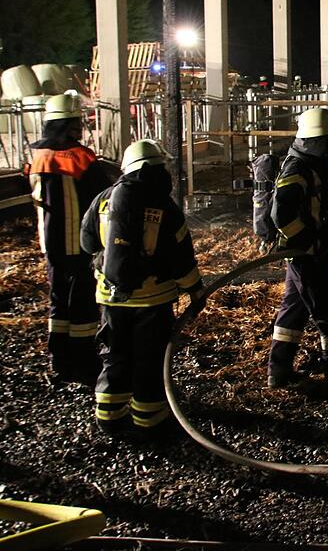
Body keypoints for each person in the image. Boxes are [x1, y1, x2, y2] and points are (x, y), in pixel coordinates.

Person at [80, 140, 203, 437]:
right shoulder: (164, 206)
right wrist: (195, 290)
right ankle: (150, 420)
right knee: (149, 359)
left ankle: (108, 416)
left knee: (115, 355)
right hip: (153, 300)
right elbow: (180, 258)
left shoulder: (104, 200)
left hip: (111, 298)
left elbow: (87, 242)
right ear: (154, 169)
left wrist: (104, 262)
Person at [268, 108, 328, 394]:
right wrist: (310, 242)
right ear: (320, 139)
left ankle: (278, 372)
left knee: (293, 312)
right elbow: (281, 216)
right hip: (306, 256)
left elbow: (315, 208)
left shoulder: (312, 165)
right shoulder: (298, 169)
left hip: (306, 254)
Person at [26, 92, 112, 387]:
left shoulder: (37, 157)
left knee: (58, 301)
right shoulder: (80, 157)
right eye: (76, 123)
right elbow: (104, 195)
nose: (80, 128)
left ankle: (59, 359)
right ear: (67, 125)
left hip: (51, 245)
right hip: (78, 244)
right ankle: (84, 360)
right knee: (83, 305)